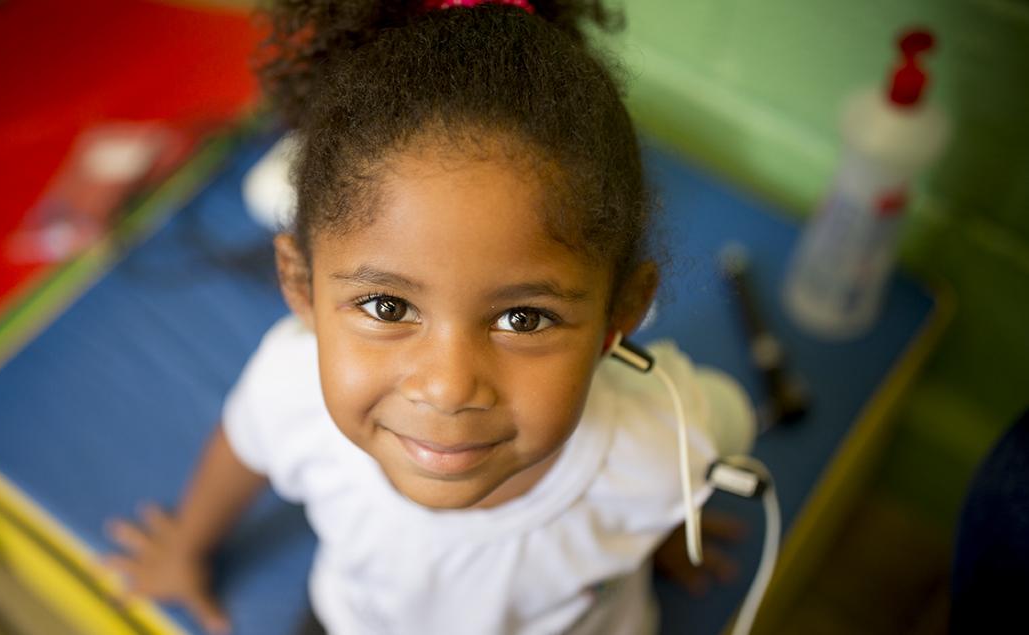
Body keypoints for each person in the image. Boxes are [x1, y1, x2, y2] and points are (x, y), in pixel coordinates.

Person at [106, 1, 748, 632]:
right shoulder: (290, 390)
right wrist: (189, 546)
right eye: (388, 307)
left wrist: (661, 524)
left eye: (523, 319)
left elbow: (724, 430)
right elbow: (244, 446)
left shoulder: (661, 445)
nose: (447, 387)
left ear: (622, 314)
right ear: (300, 287)